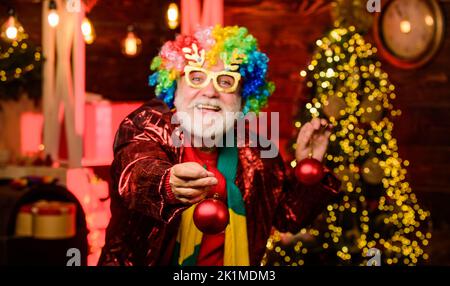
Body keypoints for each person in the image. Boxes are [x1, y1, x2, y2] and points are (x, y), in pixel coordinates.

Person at [98, 25, 340, 266]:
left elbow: (288, 217)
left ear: (242, 98)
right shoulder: (147, 126)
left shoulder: (258, 153)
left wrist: (310, 166)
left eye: (226, 81)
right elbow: (135, 171)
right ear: (175, 88)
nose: (210, 91)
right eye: (196, 77)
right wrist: (165, 183)